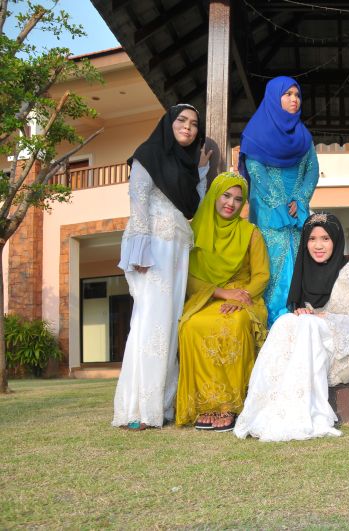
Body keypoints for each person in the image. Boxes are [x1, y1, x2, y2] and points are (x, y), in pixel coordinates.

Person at [234, 213, 349, 442]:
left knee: (311, 325)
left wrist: (327, 319)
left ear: (336, 240)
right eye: (312, 239)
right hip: (315, 345)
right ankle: (269, 412)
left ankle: (301, 414)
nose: (318, 245)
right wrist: (305, 316)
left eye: (325, 238)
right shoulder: (304, 271)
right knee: (285, 322)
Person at [112, 104, 211, 429]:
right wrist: (140, 252)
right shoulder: (148, 154)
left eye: (194, 124)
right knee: (150, 323)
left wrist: (200, 171)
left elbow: (193, 206)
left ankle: (162, 406)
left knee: (169, 324)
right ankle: (139, 409)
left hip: (178, 249)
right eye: (182, 120)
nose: (188, 127)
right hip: (152, 247)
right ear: (168, 123)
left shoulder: (186, 164)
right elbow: (137, 201)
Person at [175, 172, 269, 431]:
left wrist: (240, 298)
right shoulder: (194, 231)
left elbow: (262, 276)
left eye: (238, 199)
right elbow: (189, 277)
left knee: (234, 323)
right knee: (191, 325)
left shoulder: (250, 232)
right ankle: (204, 404)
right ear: (214, 195)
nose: (231, 203)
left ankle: (229, 405)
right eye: (226, 195)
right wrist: (220, 293)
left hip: (244, 297)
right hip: (208, 297)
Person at [239, 76, 319, 327]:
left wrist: (300, 199)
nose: (294, 99)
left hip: (297, 214)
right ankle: (273, 327)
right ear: (275, 97)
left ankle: (297, 325)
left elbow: (312, 170)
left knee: (298, 264)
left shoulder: (303, 136)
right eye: (288, 94)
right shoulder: (256, 132)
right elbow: (254, 168)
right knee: (272, 267)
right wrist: (279, 204)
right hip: (269, 214)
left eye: (298, 95)